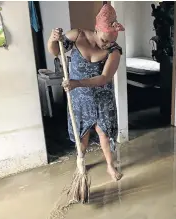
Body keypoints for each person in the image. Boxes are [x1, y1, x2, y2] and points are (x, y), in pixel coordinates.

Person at [47, 4, 125, 181]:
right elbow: (56, 51)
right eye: (104, 40)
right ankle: (81, 162)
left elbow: (104, 78)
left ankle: (110, 166)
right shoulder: (77, 35)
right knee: (81, 134)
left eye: (111, 42)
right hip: (79, 98)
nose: (106, 44)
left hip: (102, 97)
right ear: (97, 29)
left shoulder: (114, 51)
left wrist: (77, 82)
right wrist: (52, 39)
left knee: (103, 132)